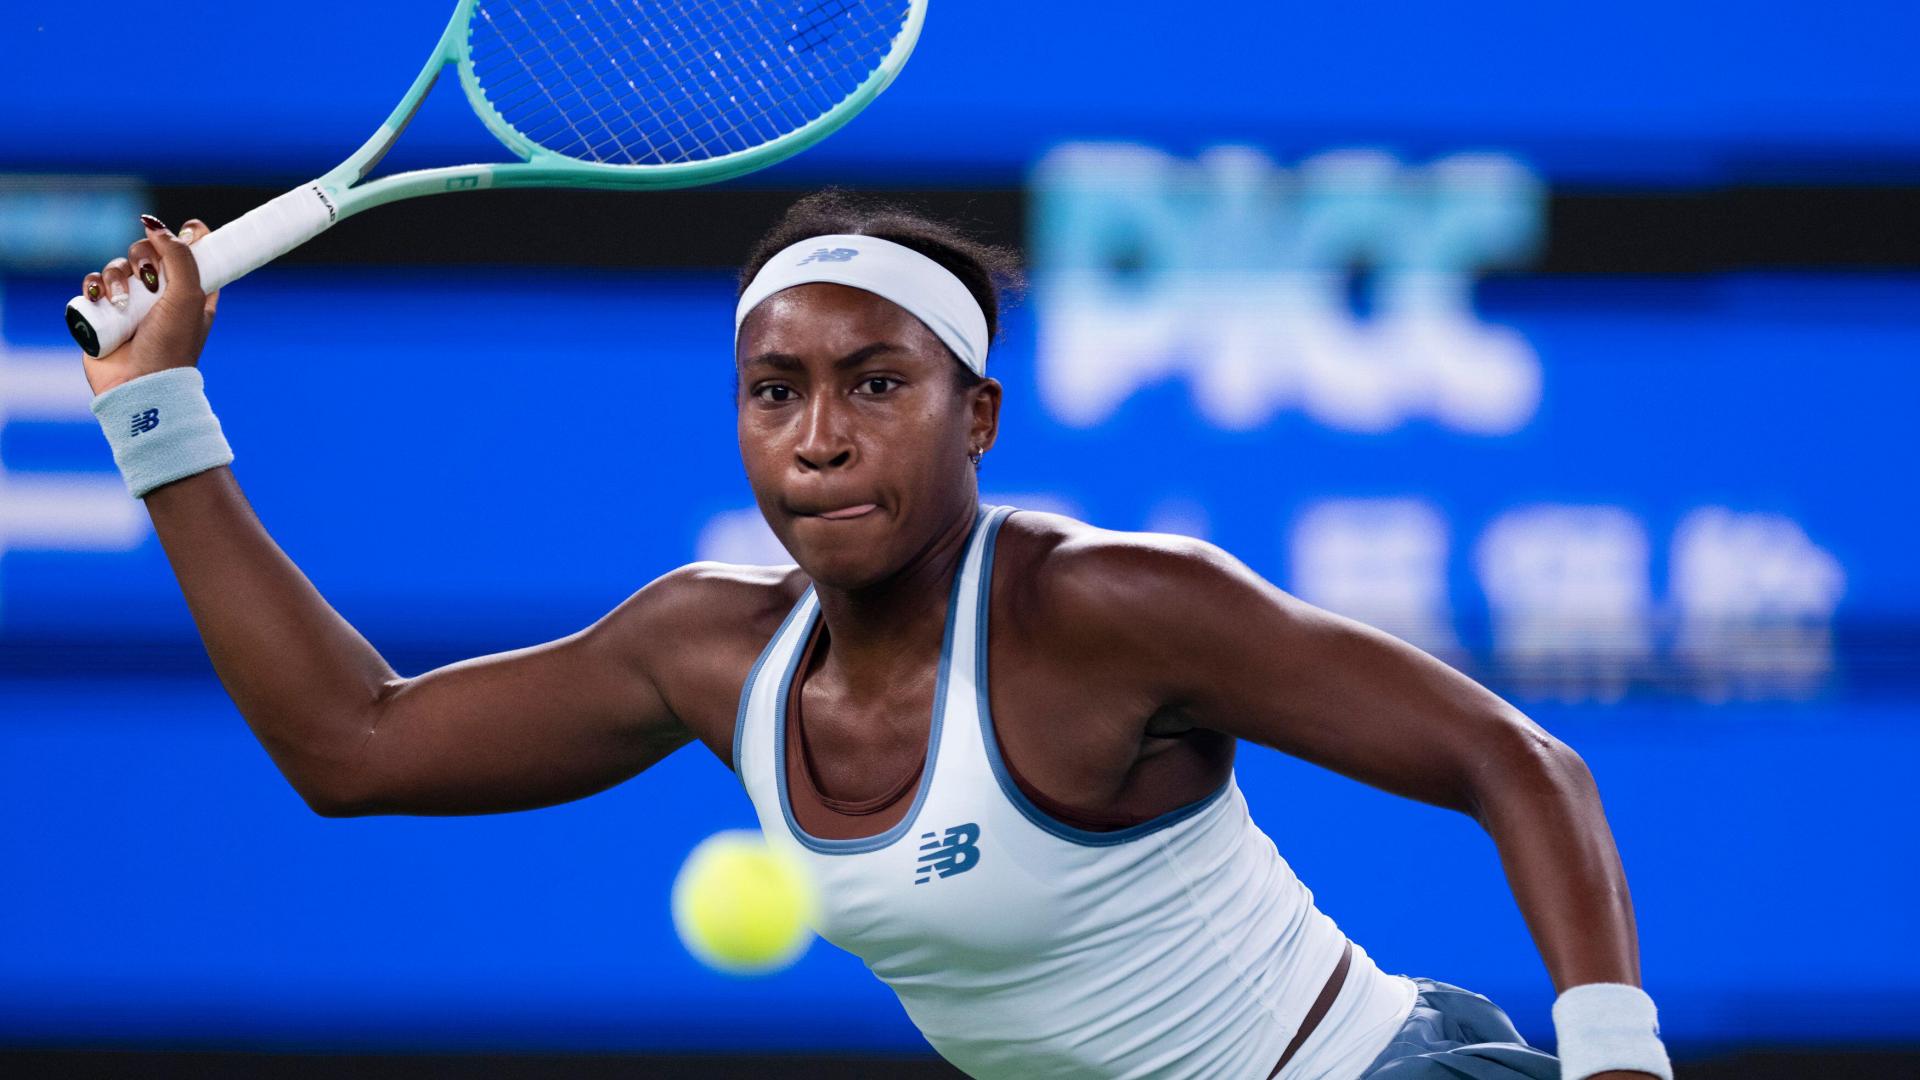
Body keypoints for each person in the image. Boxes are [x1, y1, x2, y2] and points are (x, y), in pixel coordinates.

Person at [77, 194, 1671, 1080]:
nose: (820, 437)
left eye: (877, 384)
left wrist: (1614, 1062)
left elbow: (1518, 763)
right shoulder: (707, 652)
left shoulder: (1107, 607)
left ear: (978, 417)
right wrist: (157, 410)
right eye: (775, 393)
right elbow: (352, 747)